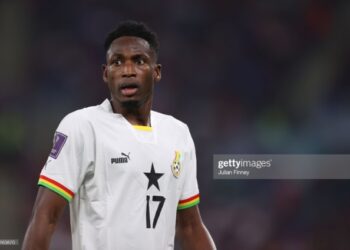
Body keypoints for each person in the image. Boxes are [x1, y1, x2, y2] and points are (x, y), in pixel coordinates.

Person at [22, 20, 216, 250]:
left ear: (156, 72)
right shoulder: (82, 126)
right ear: (106, 73)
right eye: (117, 62)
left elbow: (190, 227)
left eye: (139, 61)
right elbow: (45, 218)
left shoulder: (178, 133)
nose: (127, 70)